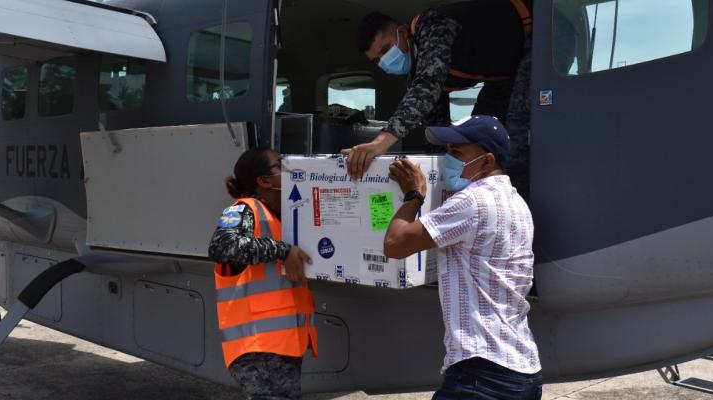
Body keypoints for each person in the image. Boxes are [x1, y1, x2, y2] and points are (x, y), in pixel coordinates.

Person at [383, 115, 542, 399]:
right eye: (446, 150)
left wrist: (414, 195)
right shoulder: (517, 203)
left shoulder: (472, 201)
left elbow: (395, 243)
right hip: (523, 370)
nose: (448, 159)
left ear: (487, 161)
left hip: (482, 374)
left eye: (457, 152)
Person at [343, 0, 533, 199]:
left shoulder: (431, 25)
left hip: (536, 37)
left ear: (401, 32)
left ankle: (518, 207)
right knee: (475, 145)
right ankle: (480, 204)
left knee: (516, 139)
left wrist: (381, 141)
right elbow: (438, 132)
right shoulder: (417, 74)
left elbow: (427, 86)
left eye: (385, 49)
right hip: (503, 78)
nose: (384, 60)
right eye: (377, 60)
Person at [208, 148, 318, 400]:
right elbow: (223, 246)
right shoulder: (244, 210)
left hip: (282, 344)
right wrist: (283, 250)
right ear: (264, 181)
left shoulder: (282, 215)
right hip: (257, 345)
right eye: (281, 164)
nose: (289, 167)